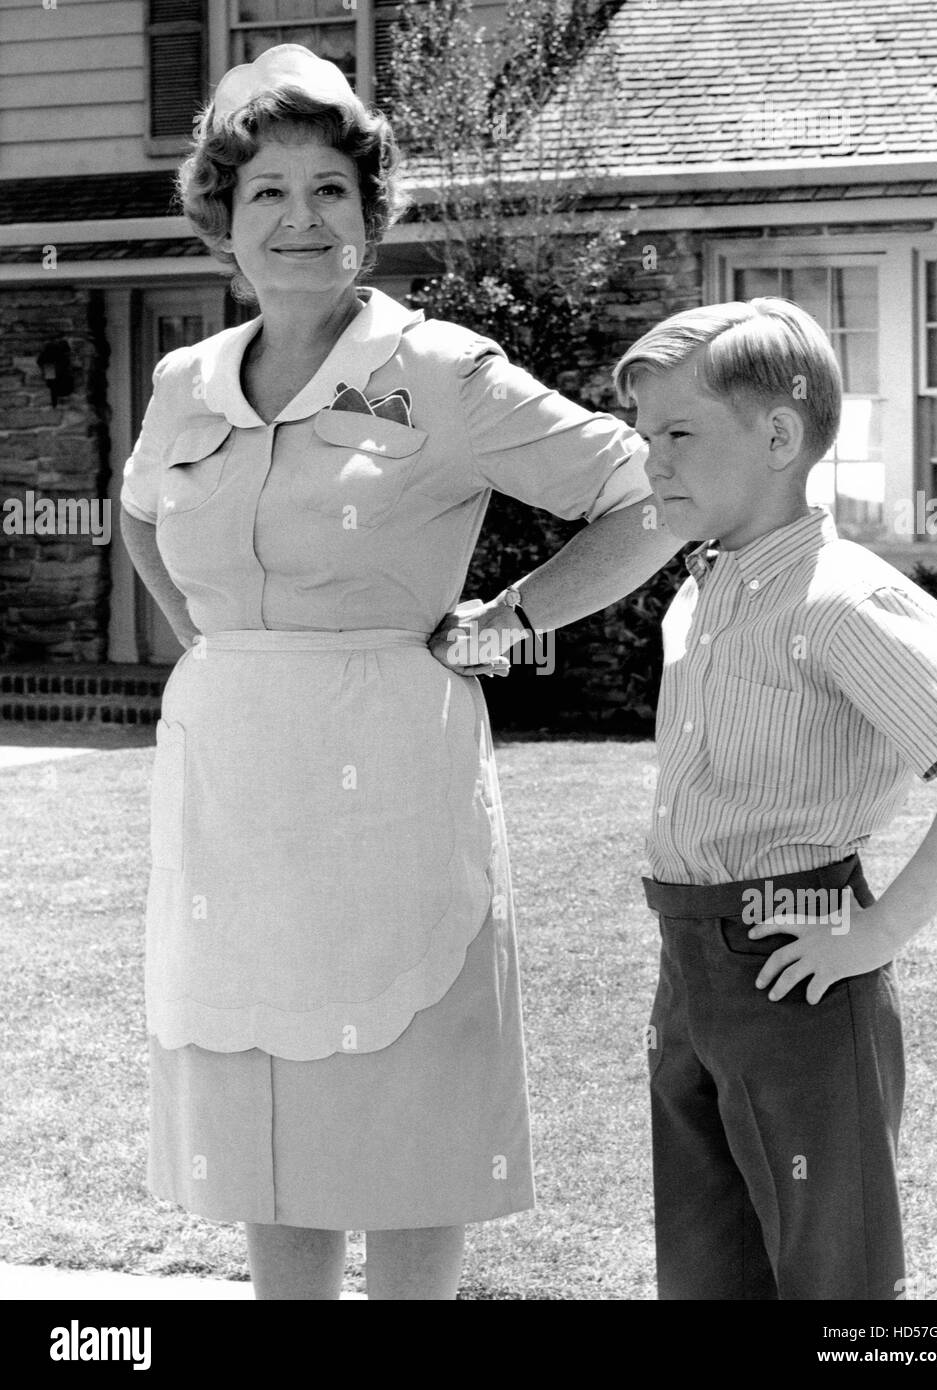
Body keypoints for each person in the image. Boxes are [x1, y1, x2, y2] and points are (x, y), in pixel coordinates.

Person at [118, 44, 680, 1300]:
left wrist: (512, 617)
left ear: (370, 220)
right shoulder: (184, 383)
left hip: (392, 782)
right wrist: (210, 641)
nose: (299, 217)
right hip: (232, 789)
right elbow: (144, 512)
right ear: (225, 217)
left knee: (406, 1098)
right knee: (265, 1105)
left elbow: (646, 489)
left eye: (330, 189)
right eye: (266, 190)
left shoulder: (440, 370)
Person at [612, 297, 937, 1300]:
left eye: (680, 434)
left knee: (837, 1271)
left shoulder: (841, 598)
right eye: (645, 436)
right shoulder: (703, 589)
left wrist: (876, 935)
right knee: (705, 1264)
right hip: (690, 958)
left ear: (779, 435)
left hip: (802, 946)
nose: (653, 461)